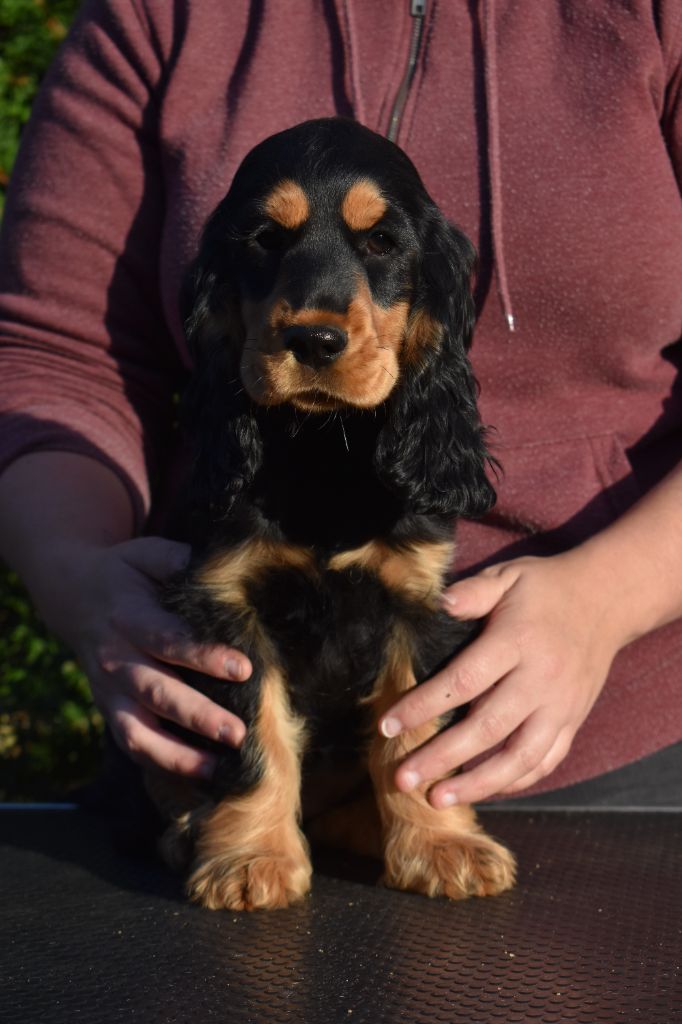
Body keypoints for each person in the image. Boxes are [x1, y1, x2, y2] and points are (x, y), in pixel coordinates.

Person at [0, 0, 680, 808]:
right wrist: (77, 574)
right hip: (215, 731)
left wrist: (606, 600)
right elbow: (55, 356)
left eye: (380, 241)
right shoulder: (161, 13)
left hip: (617, 735)